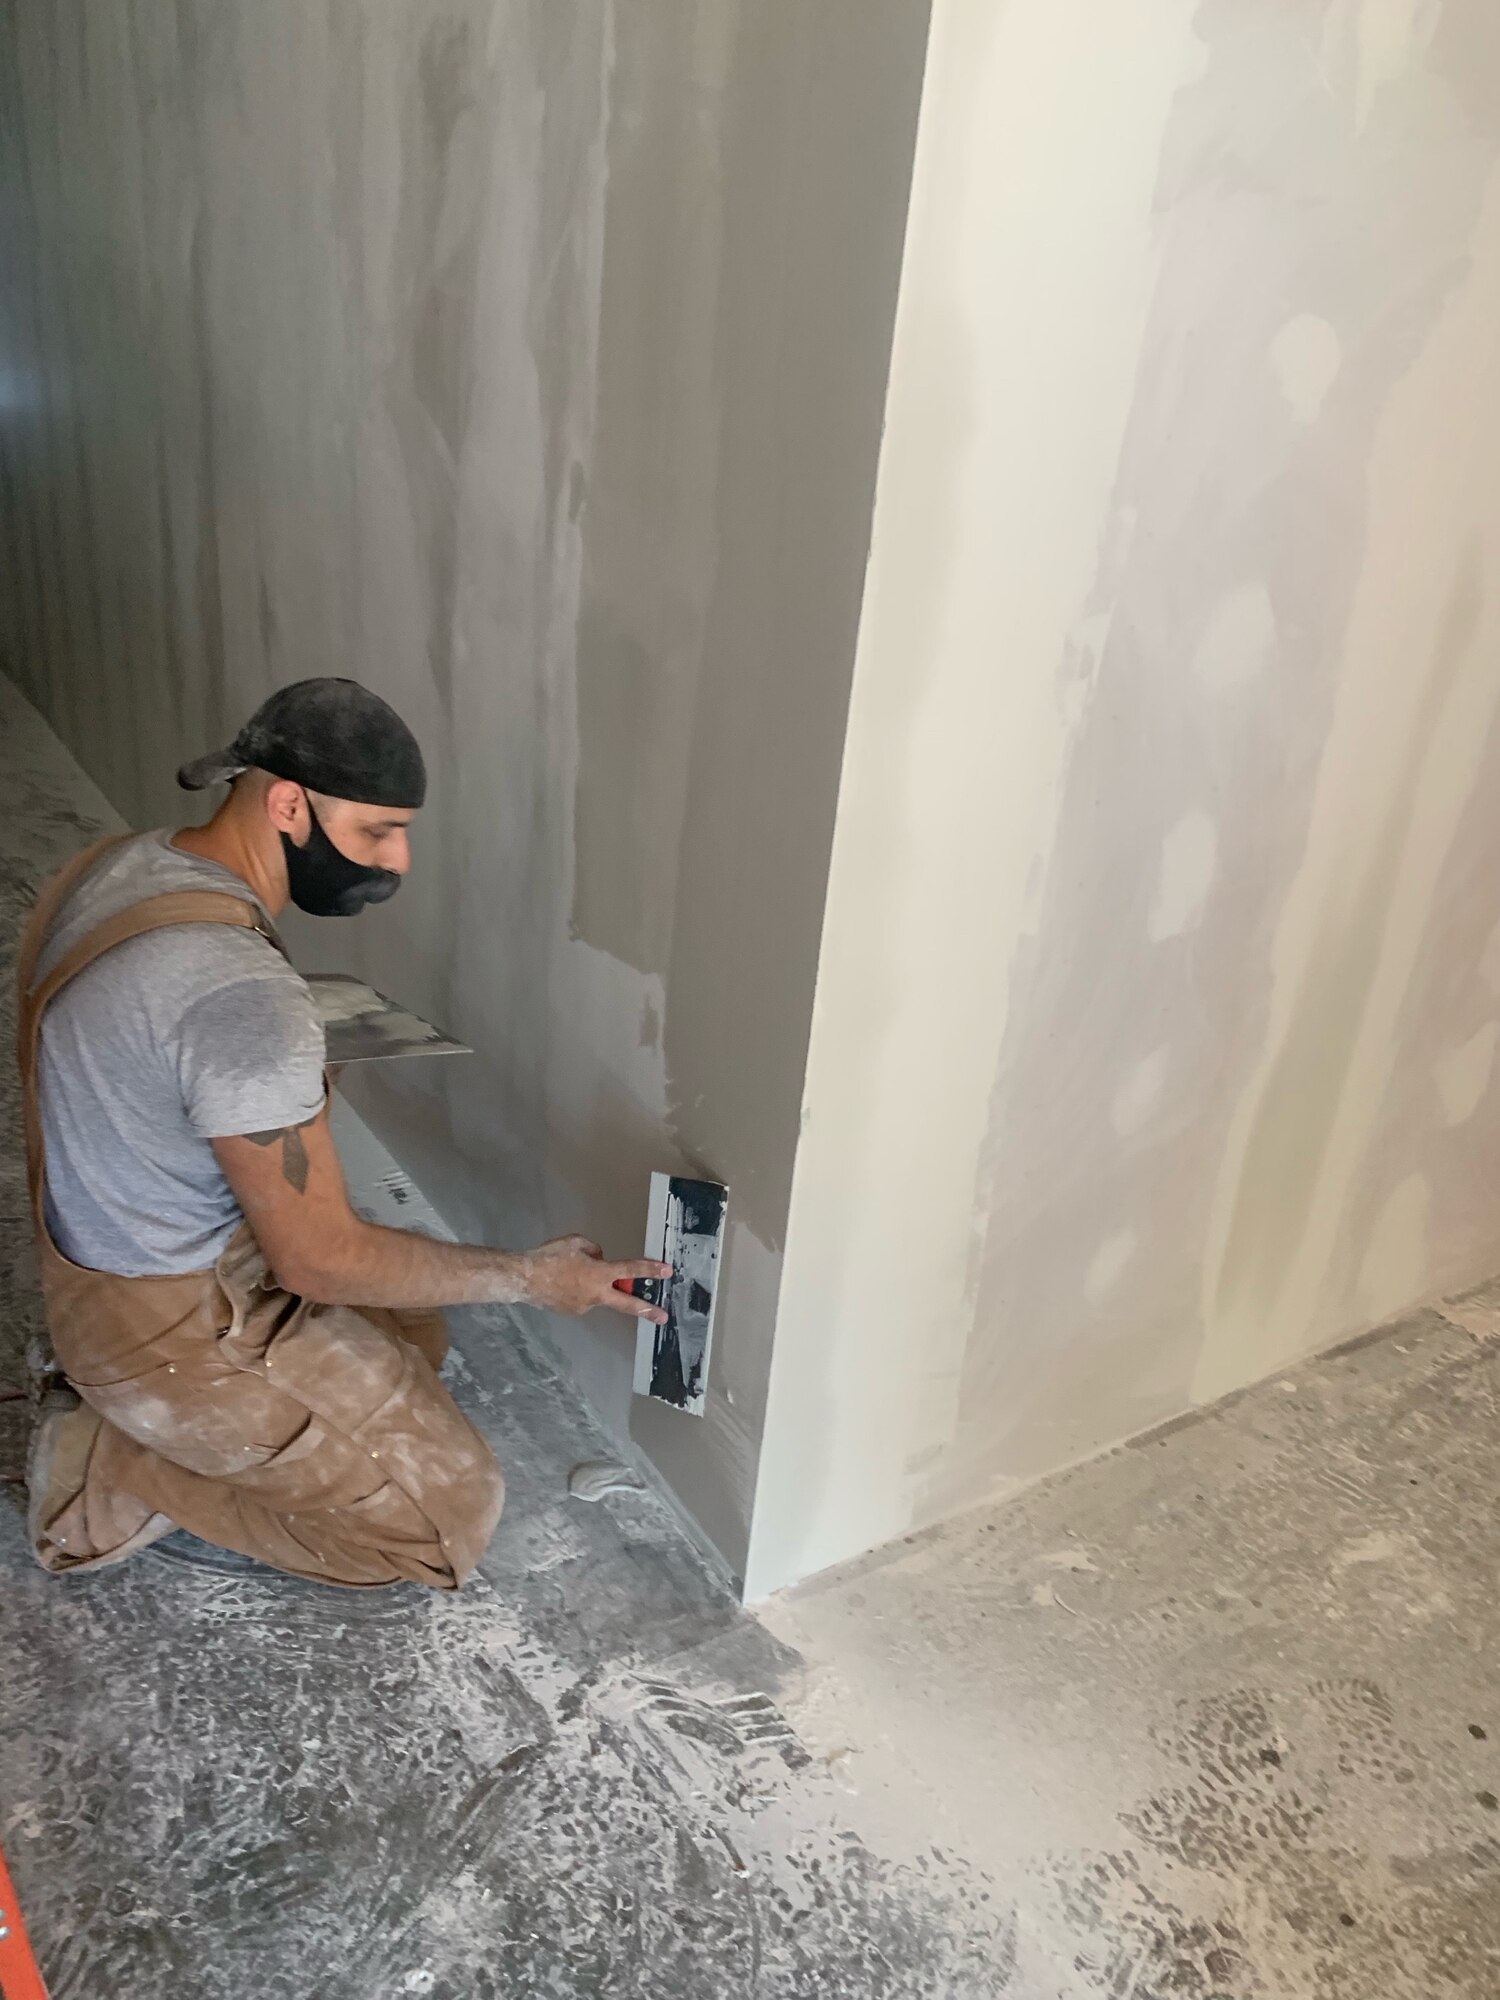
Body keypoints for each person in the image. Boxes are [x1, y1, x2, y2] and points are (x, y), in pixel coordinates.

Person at [16, 677, 669, 1589]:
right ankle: (120, 1458)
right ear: (288, 805)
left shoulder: (122, 866)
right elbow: (316, 1263)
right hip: (165, 1325)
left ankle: (155, 1413)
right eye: (375, 831)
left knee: (415, 1328)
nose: (398, 862)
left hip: (113, 1249)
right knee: (444, 1520)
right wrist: (534, 1278)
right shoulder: (240, 994)